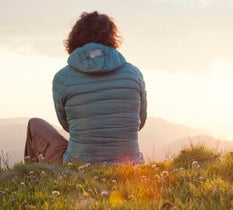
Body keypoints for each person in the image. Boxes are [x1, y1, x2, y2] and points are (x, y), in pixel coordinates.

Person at [24, 11, 147, 165]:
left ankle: (32, 179)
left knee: (34, 124)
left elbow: (67, 125)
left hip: (79, 165)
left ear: (75, 39)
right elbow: (140, 122)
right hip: (131, 164)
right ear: (112, 38)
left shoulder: (62, 78)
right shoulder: (134, 74)